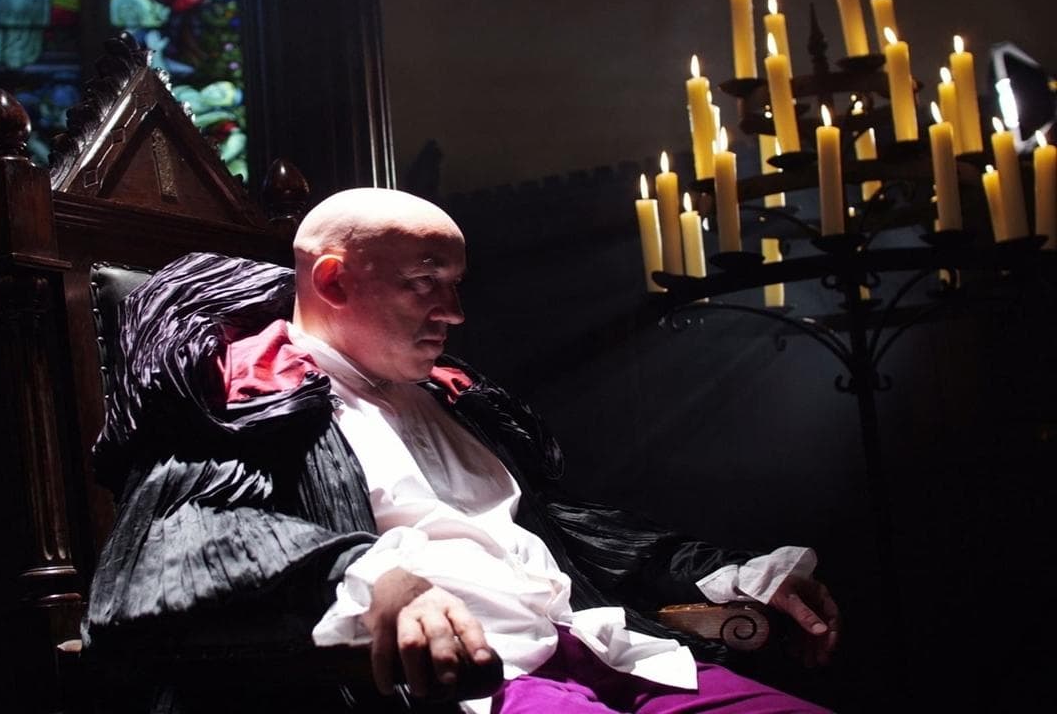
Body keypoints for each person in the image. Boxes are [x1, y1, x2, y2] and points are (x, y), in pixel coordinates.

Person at [83, 188, 840, 713]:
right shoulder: (255, 394)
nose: (454, 312)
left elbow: (575, 530)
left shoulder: (458, 401)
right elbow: (182, 544)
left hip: (600, 648)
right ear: (334, 281)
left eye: (455, 284)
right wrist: (374, 580)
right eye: (426, 283)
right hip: (458, 690)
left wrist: (733, 575)